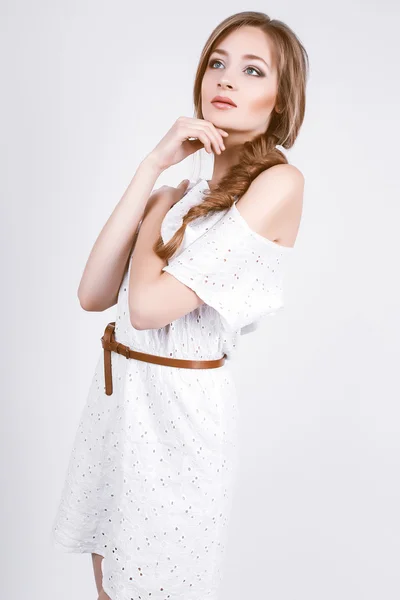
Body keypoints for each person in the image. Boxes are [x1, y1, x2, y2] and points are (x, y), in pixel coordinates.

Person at [51, 10, 308, 600]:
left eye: (251, 70)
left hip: (179, 413)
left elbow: (146, 306)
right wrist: (152, 168)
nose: (226, 79)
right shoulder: (185, 190)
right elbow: (93, 293)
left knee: (163, 584)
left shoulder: (280, 183)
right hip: (121, 399)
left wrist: (155, 217)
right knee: (111, 586)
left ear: (280, 101)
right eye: (217, 64)